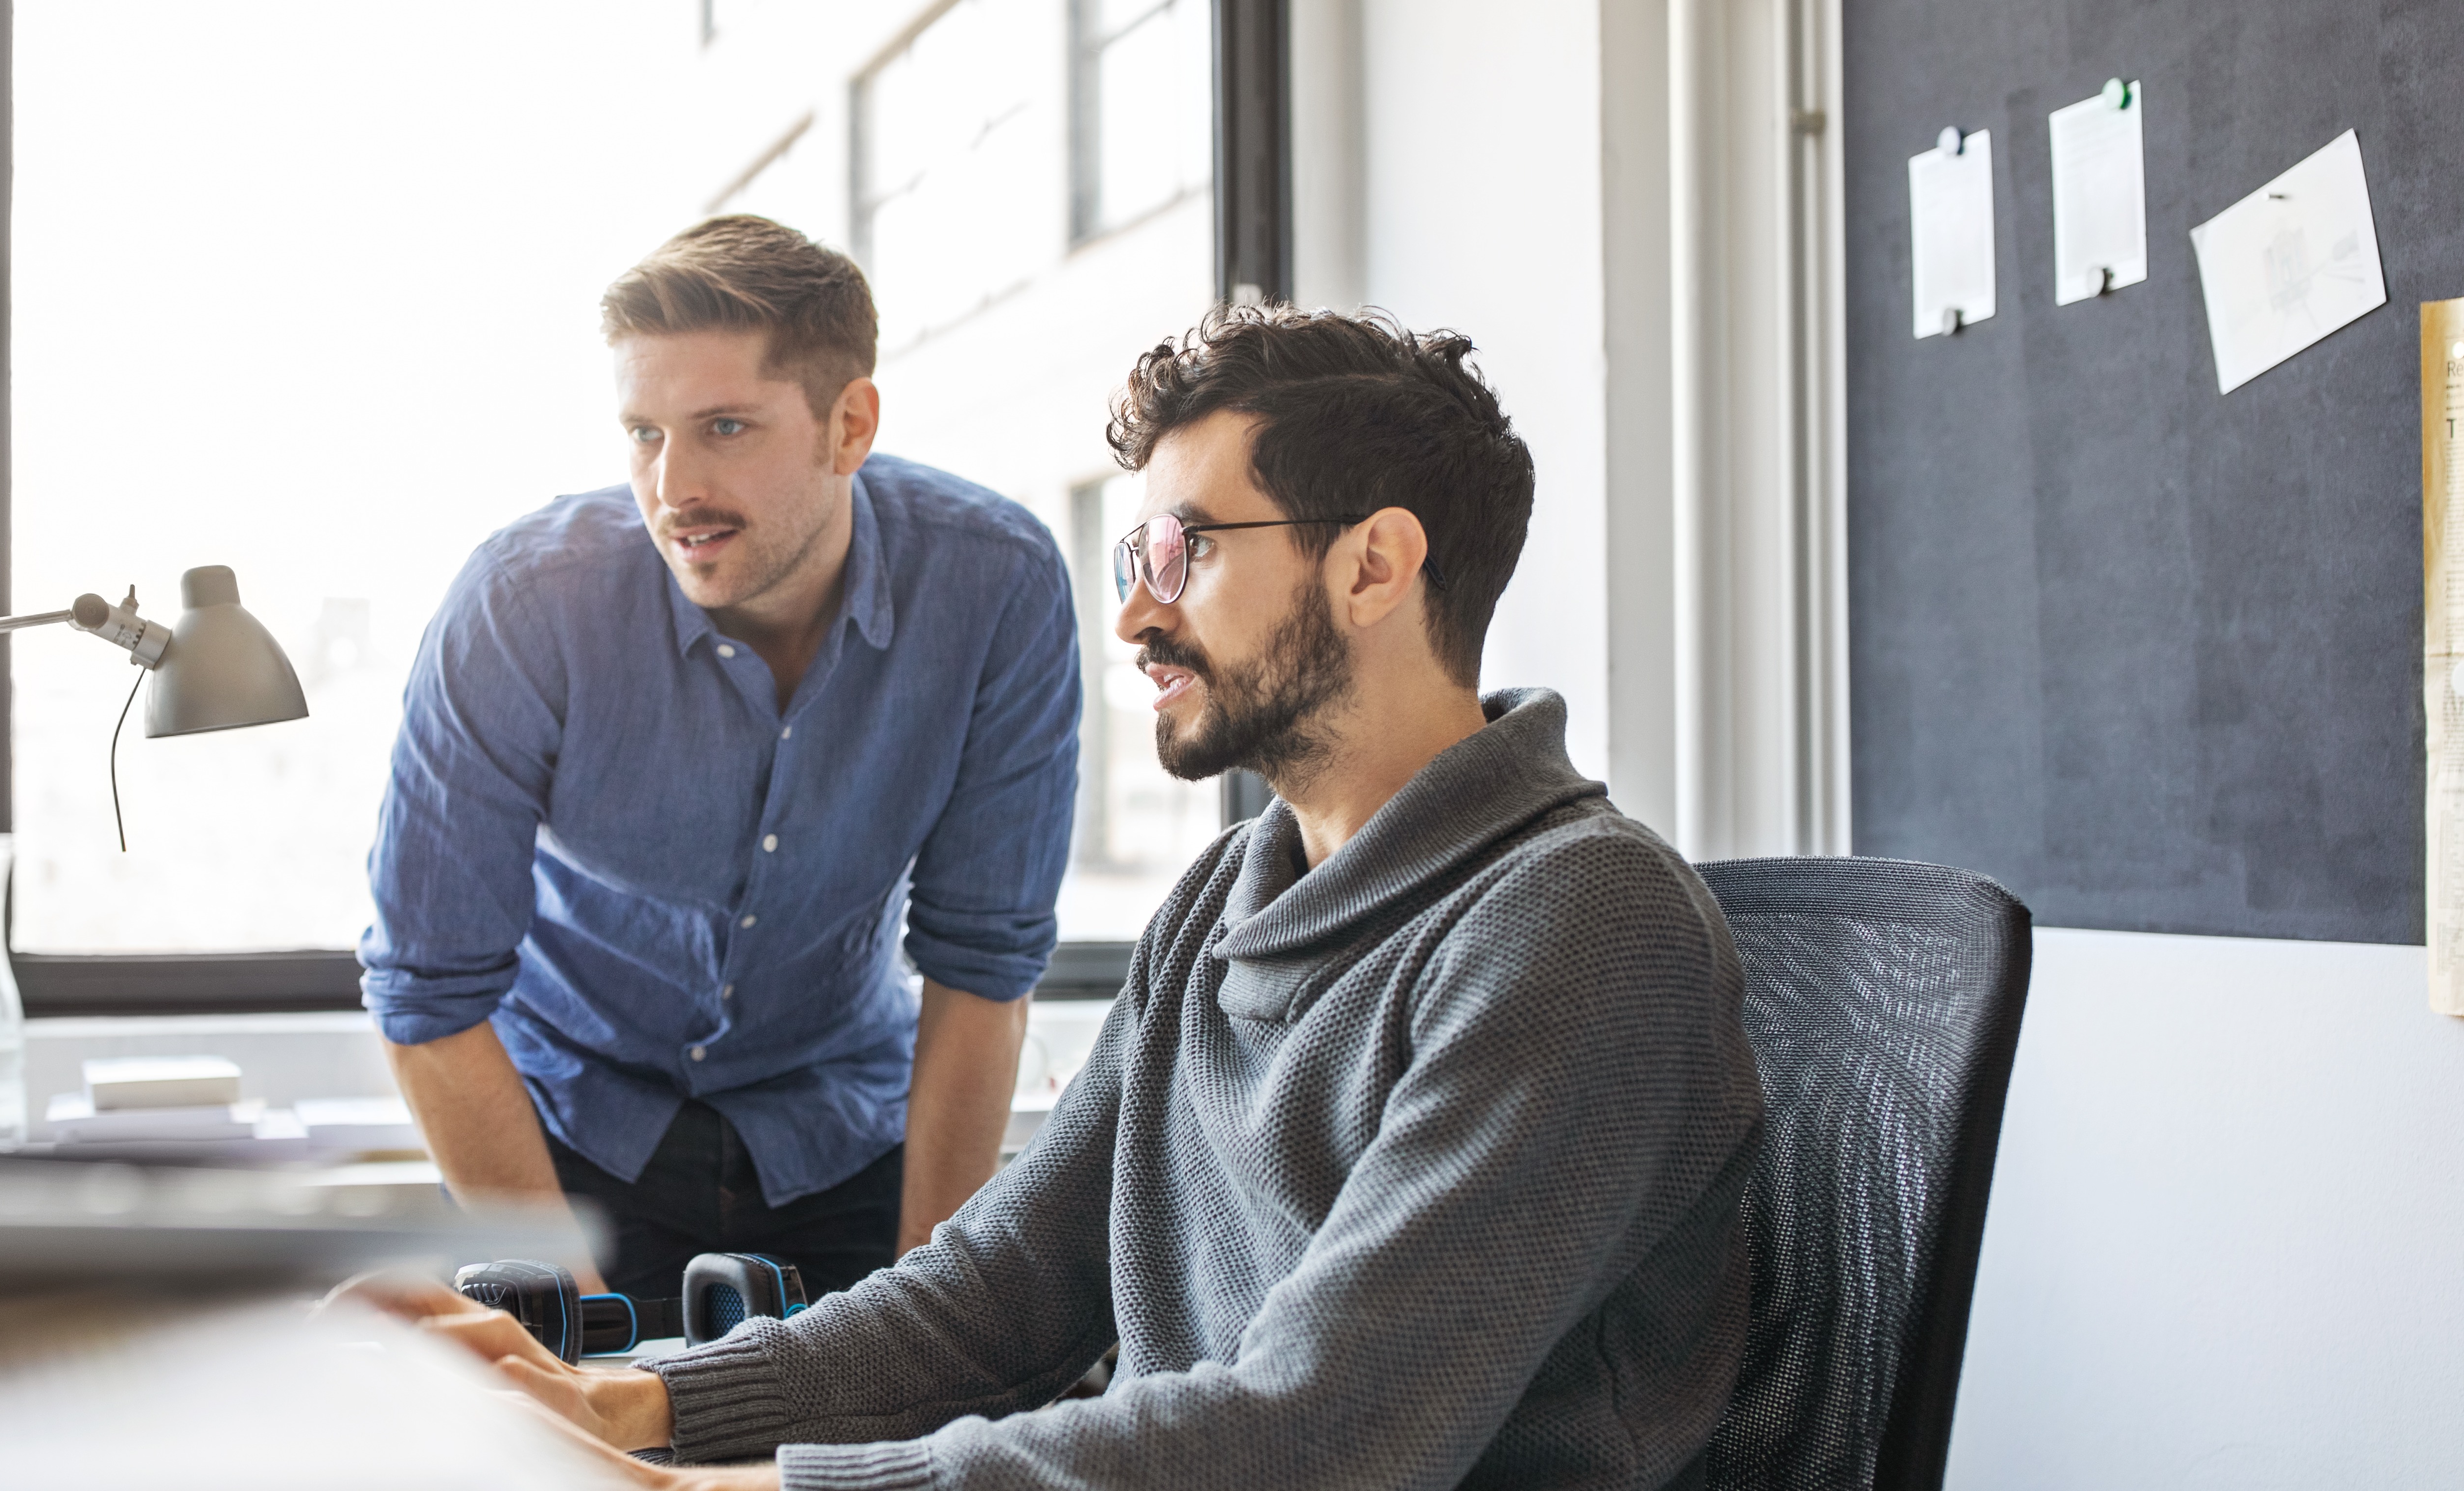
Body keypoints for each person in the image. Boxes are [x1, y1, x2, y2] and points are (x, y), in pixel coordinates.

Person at [347, 304, 1764, 1491]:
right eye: (1135, 559)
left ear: (1373, 565)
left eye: (1185, 550)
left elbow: (1315, 1435)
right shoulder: (1228, 899)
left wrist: (734, 1489)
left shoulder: (1578, 927)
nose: (1137, 613)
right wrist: (633, 1400)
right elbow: (1003, 1287)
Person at [361, 215, 1080, 1302]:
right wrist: (578, 1331)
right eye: (644, 433)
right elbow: (427, 991)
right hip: (567, 1139)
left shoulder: (997, 586)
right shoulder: (522, 606)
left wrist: (933, 1323)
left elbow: (982, 966)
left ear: (850, 425)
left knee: (898, 1411)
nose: (672, 487)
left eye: (725, 427)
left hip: (844, 1133)